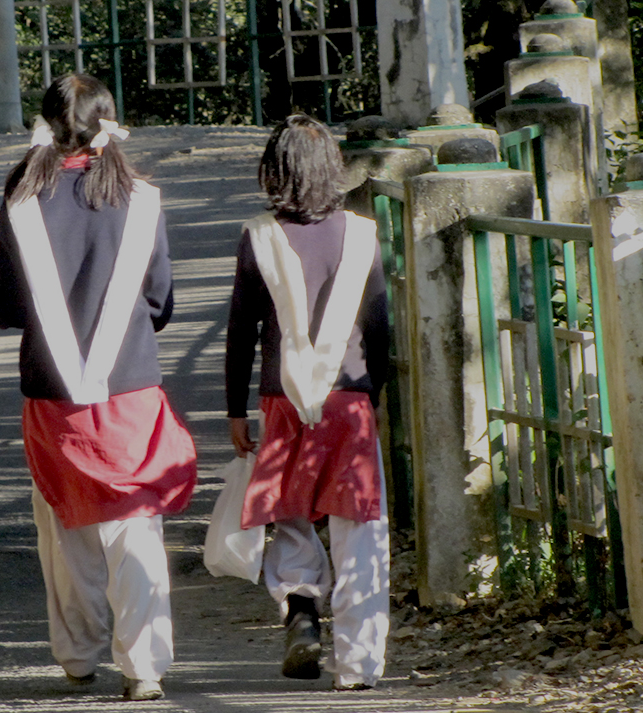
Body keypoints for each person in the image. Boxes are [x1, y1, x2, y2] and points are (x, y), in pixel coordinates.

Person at [0, 73, 198, 702]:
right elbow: (159, 302)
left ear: (47, 125)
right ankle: (144, 668)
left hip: (52, 394)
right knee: (136, 528)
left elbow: (6, 306)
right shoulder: (142, 199)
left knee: (65, 529)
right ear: (108, 123)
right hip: (130, 389)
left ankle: (78, 657)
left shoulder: (22, 198)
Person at [224, 114, 392, 691]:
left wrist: (234, 410)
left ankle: (300, 610)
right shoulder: (362, 235)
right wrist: (374, 396)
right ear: (332, 170)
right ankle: (359, 664)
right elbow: (379, 327)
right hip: (349, 399)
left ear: (275, 170)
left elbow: (241, 330)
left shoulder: (259, 236)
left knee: (290, 515)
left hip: (282, 400)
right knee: (359, 527)